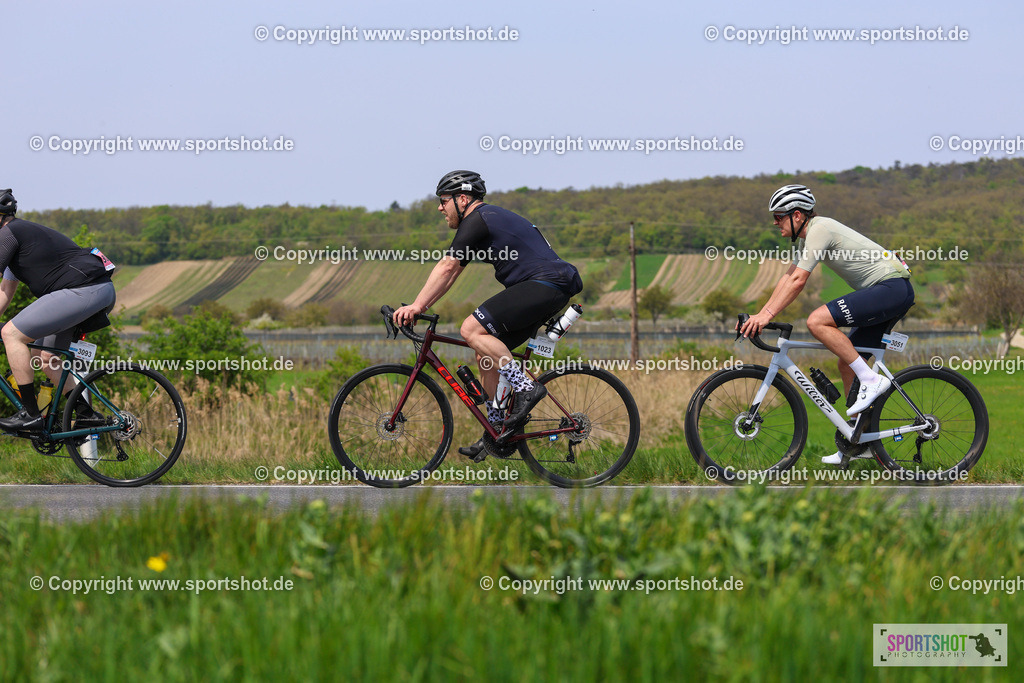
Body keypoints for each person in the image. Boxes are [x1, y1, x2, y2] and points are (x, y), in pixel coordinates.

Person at [393, 171, 582, 459]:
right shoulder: (485, 222)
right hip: (549, 286)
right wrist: (422, 305)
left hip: (546, 282)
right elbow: (453, 272)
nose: (440, 208)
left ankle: (526, 388)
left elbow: (446, 267)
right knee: (486, 353)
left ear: (463, 199)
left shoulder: (478, 218)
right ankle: (498, 430)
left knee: (471, 329)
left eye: (444, 201)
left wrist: (417, 307)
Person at [739, 184, 914, 465]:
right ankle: (858, 440)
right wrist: (760, 314)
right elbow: (788, 277)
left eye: (778, 216)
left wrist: (766, 316)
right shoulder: (808, 238)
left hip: (890, 287)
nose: (775, 223)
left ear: (797, 216)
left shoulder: (820, 229)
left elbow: (798, 282)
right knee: (847, 363)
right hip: (890, 290)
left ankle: (871, 380)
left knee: (816, 321)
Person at [0, 188, 117, 431]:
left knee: (12, 334)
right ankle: (86, 415)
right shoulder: (18, 241)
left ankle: (30, 414)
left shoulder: (9, 232)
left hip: (83, 290)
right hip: (92, 291)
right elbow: (4, 293)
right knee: (47, 359)